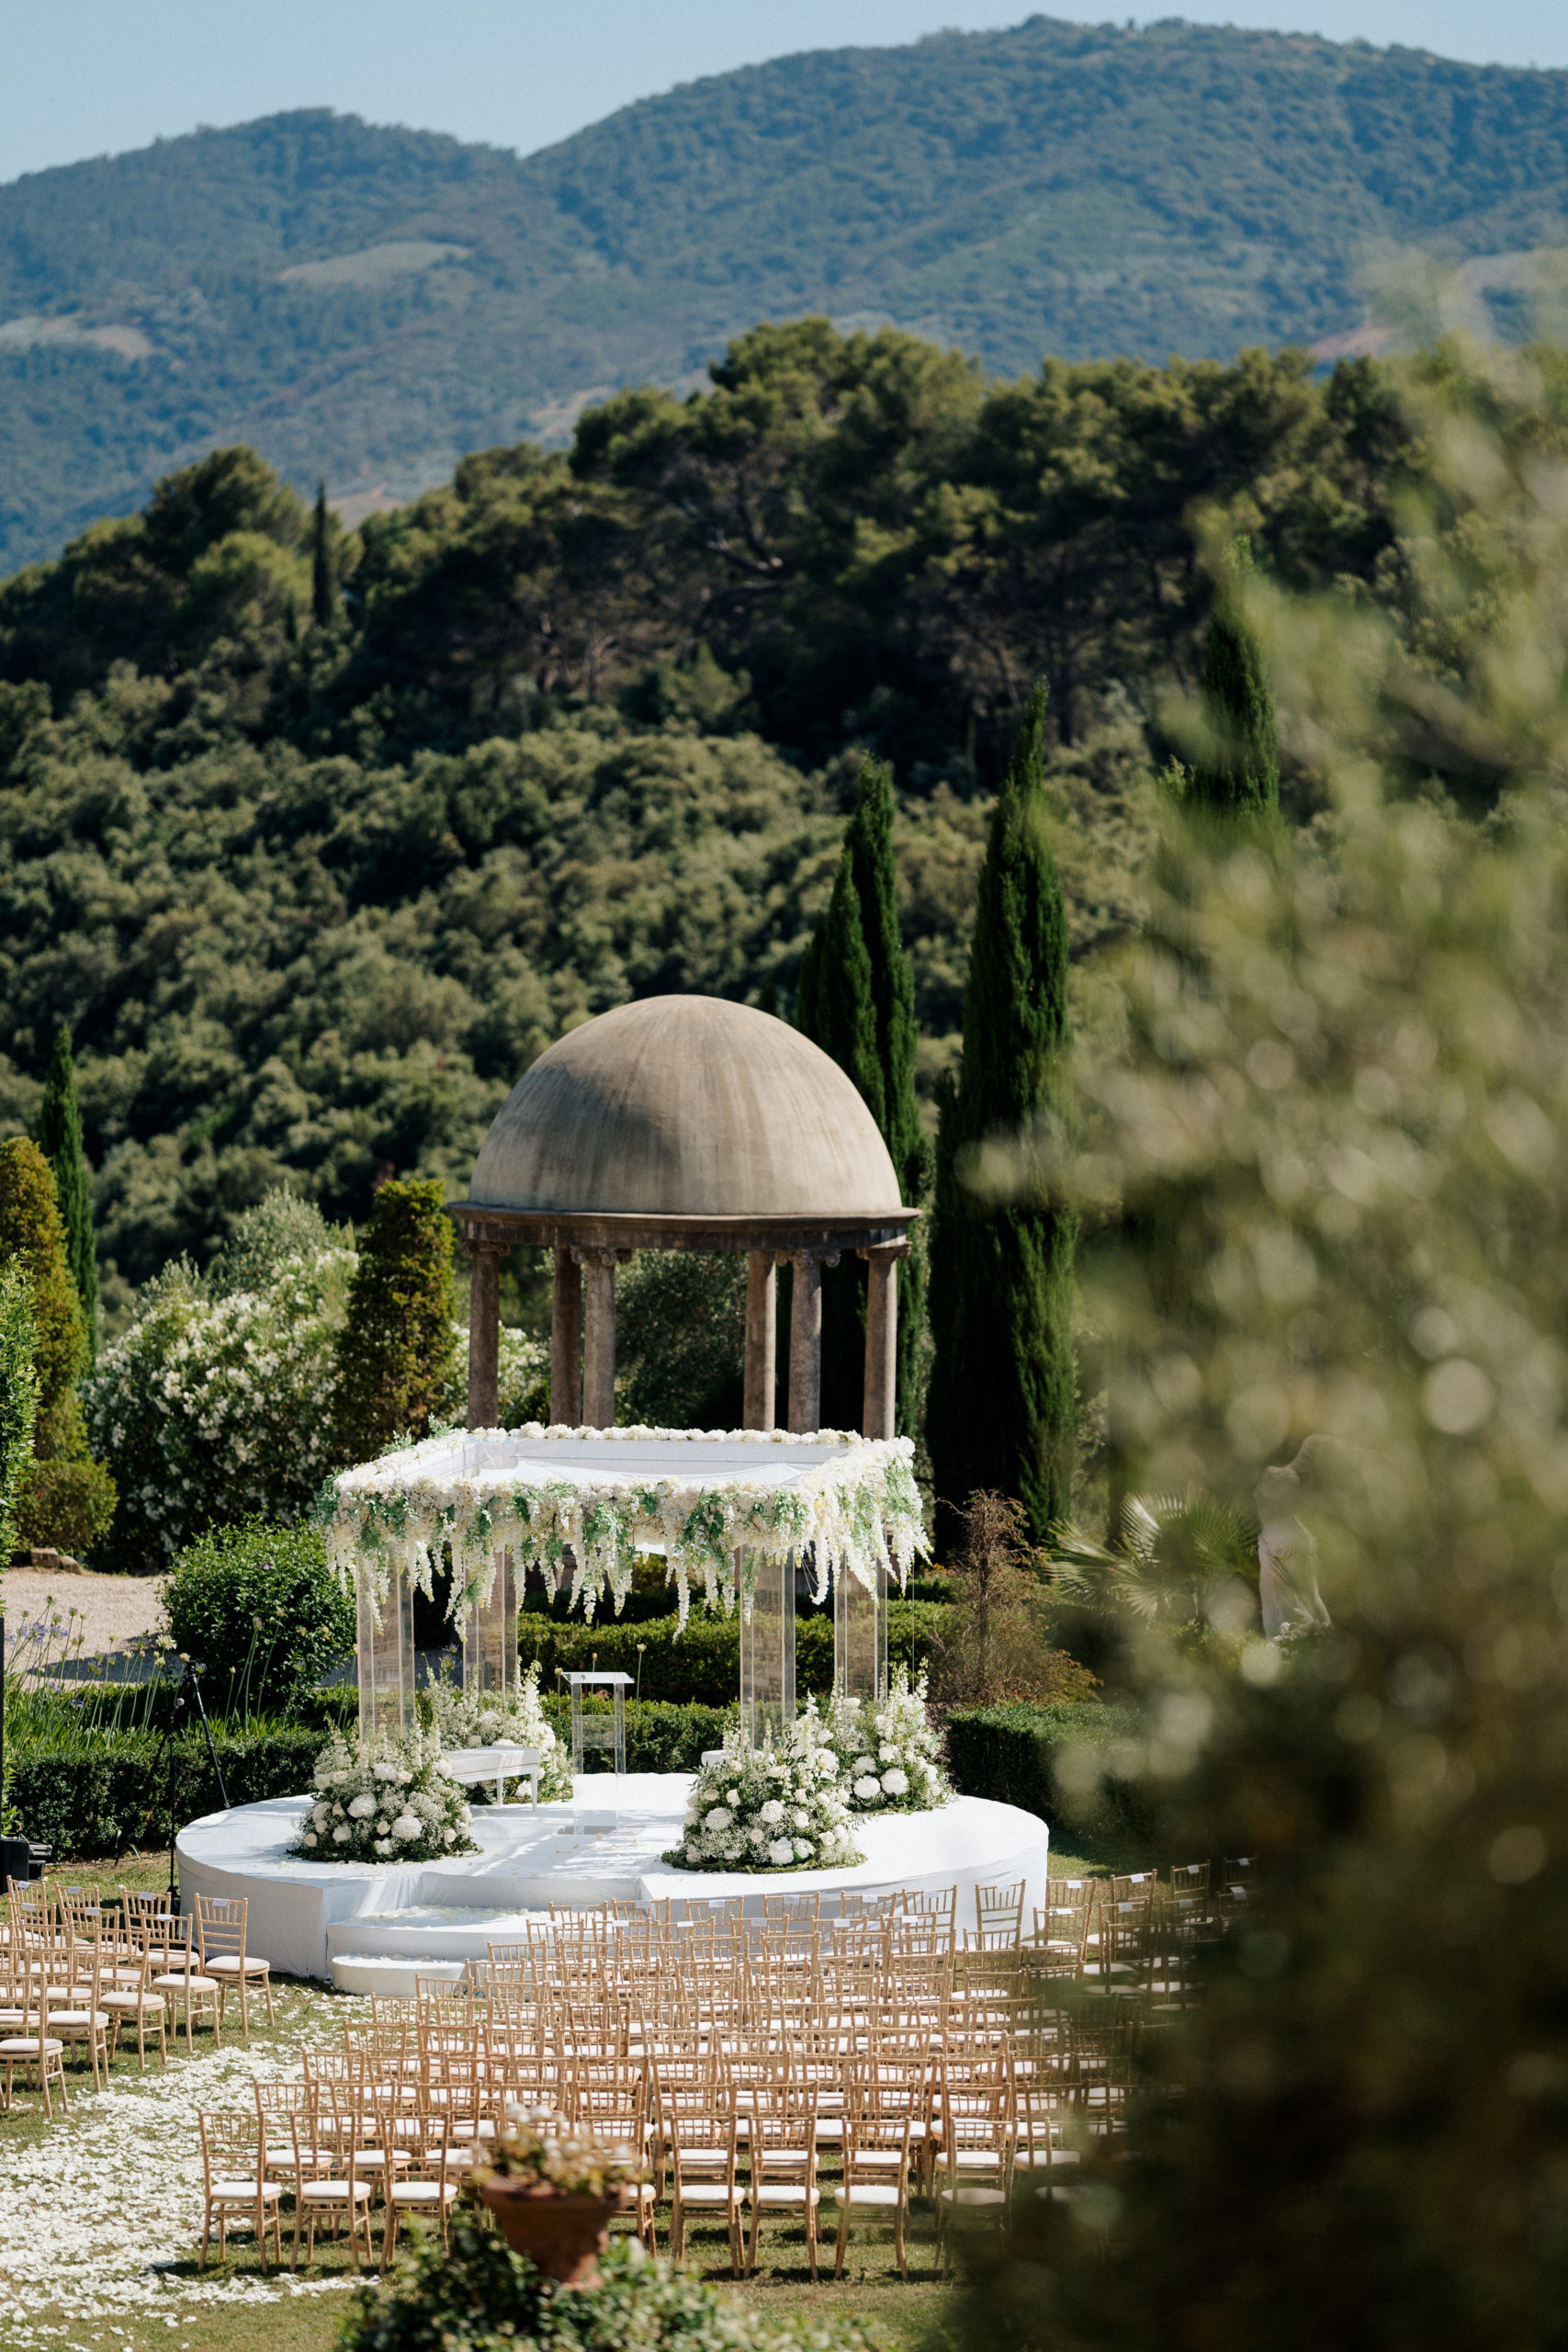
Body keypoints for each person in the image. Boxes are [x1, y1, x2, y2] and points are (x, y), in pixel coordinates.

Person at [1255, 1439, 1337, 1637]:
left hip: (1286, 1540)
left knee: (1301, 1599)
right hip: (1281, 1539)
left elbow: (1309, 1593)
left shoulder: (1273, 1504)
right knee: (1277, 1606)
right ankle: (1311, 1635)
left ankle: (1317, 1634)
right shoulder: (1269, 1502)